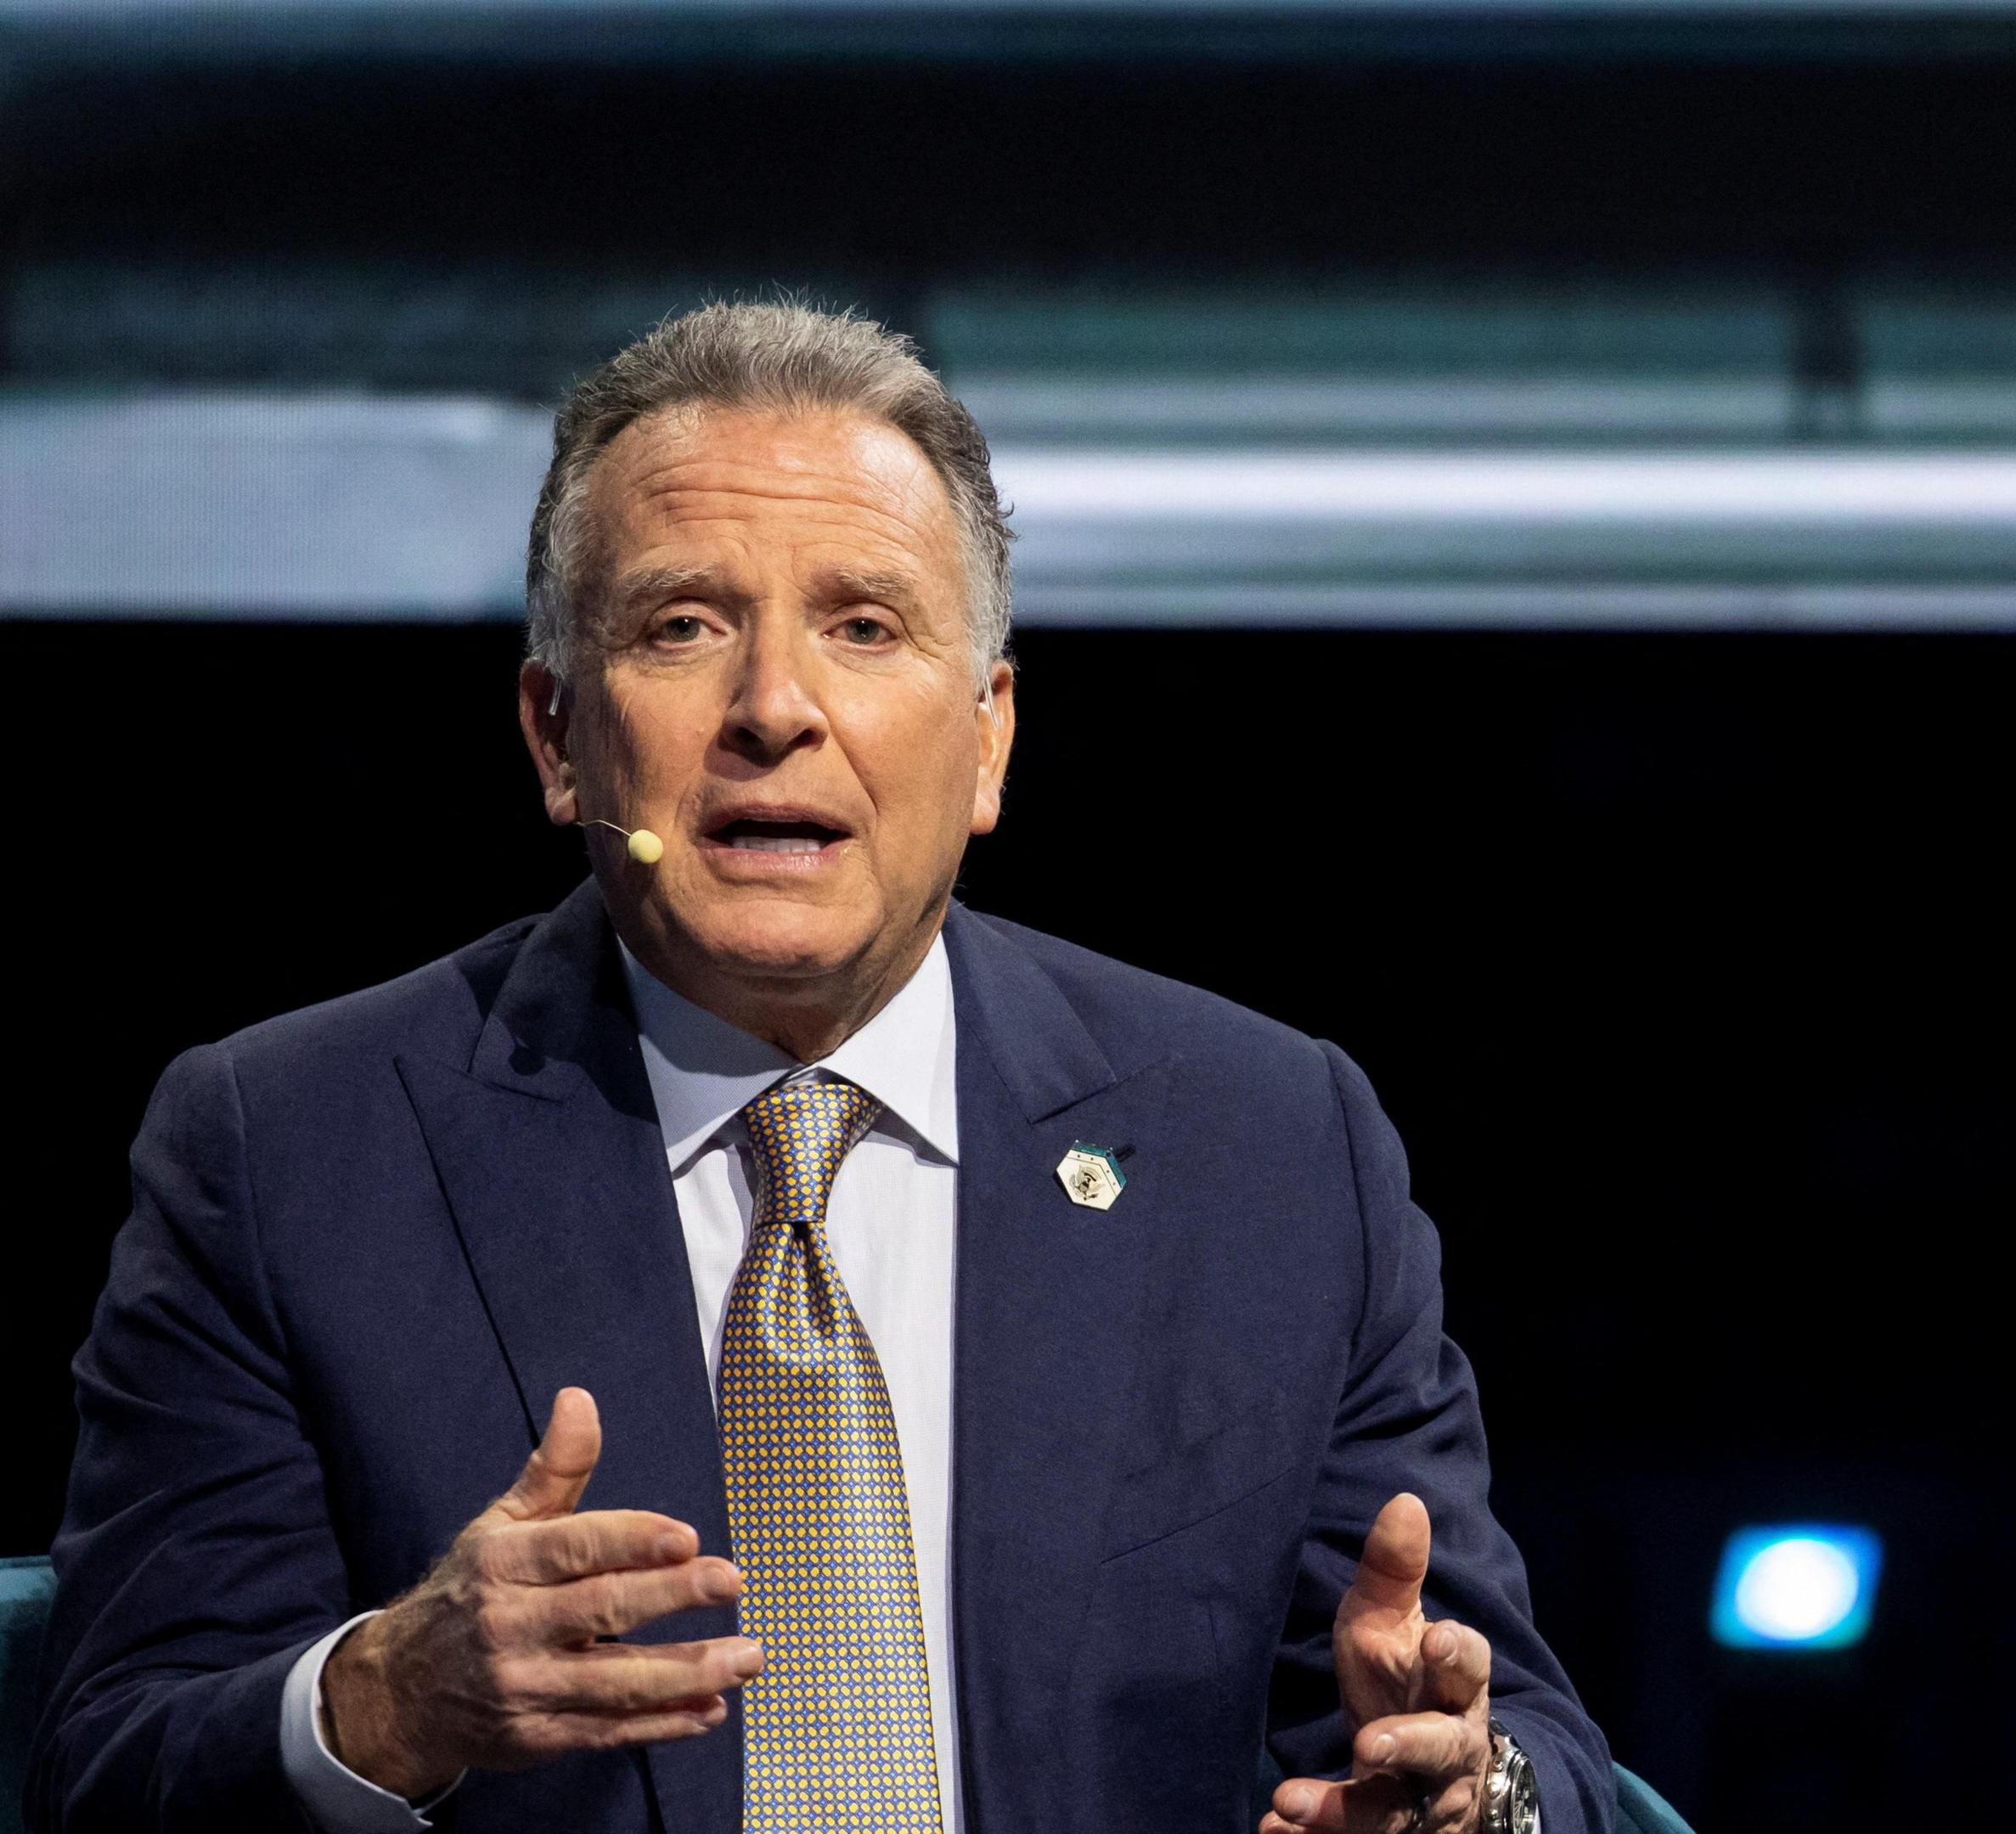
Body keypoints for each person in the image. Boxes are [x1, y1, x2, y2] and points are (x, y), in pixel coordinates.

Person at [25, 302, 1601, 1834]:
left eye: (864, 626)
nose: (775, 709)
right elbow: (105, 1768)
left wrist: (1471, 1800)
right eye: (683, 626)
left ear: (986, 741)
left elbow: (1516, 1738)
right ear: (558, 735)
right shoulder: (289, 1151)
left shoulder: (1264, 1148)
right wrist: (385, 1704)